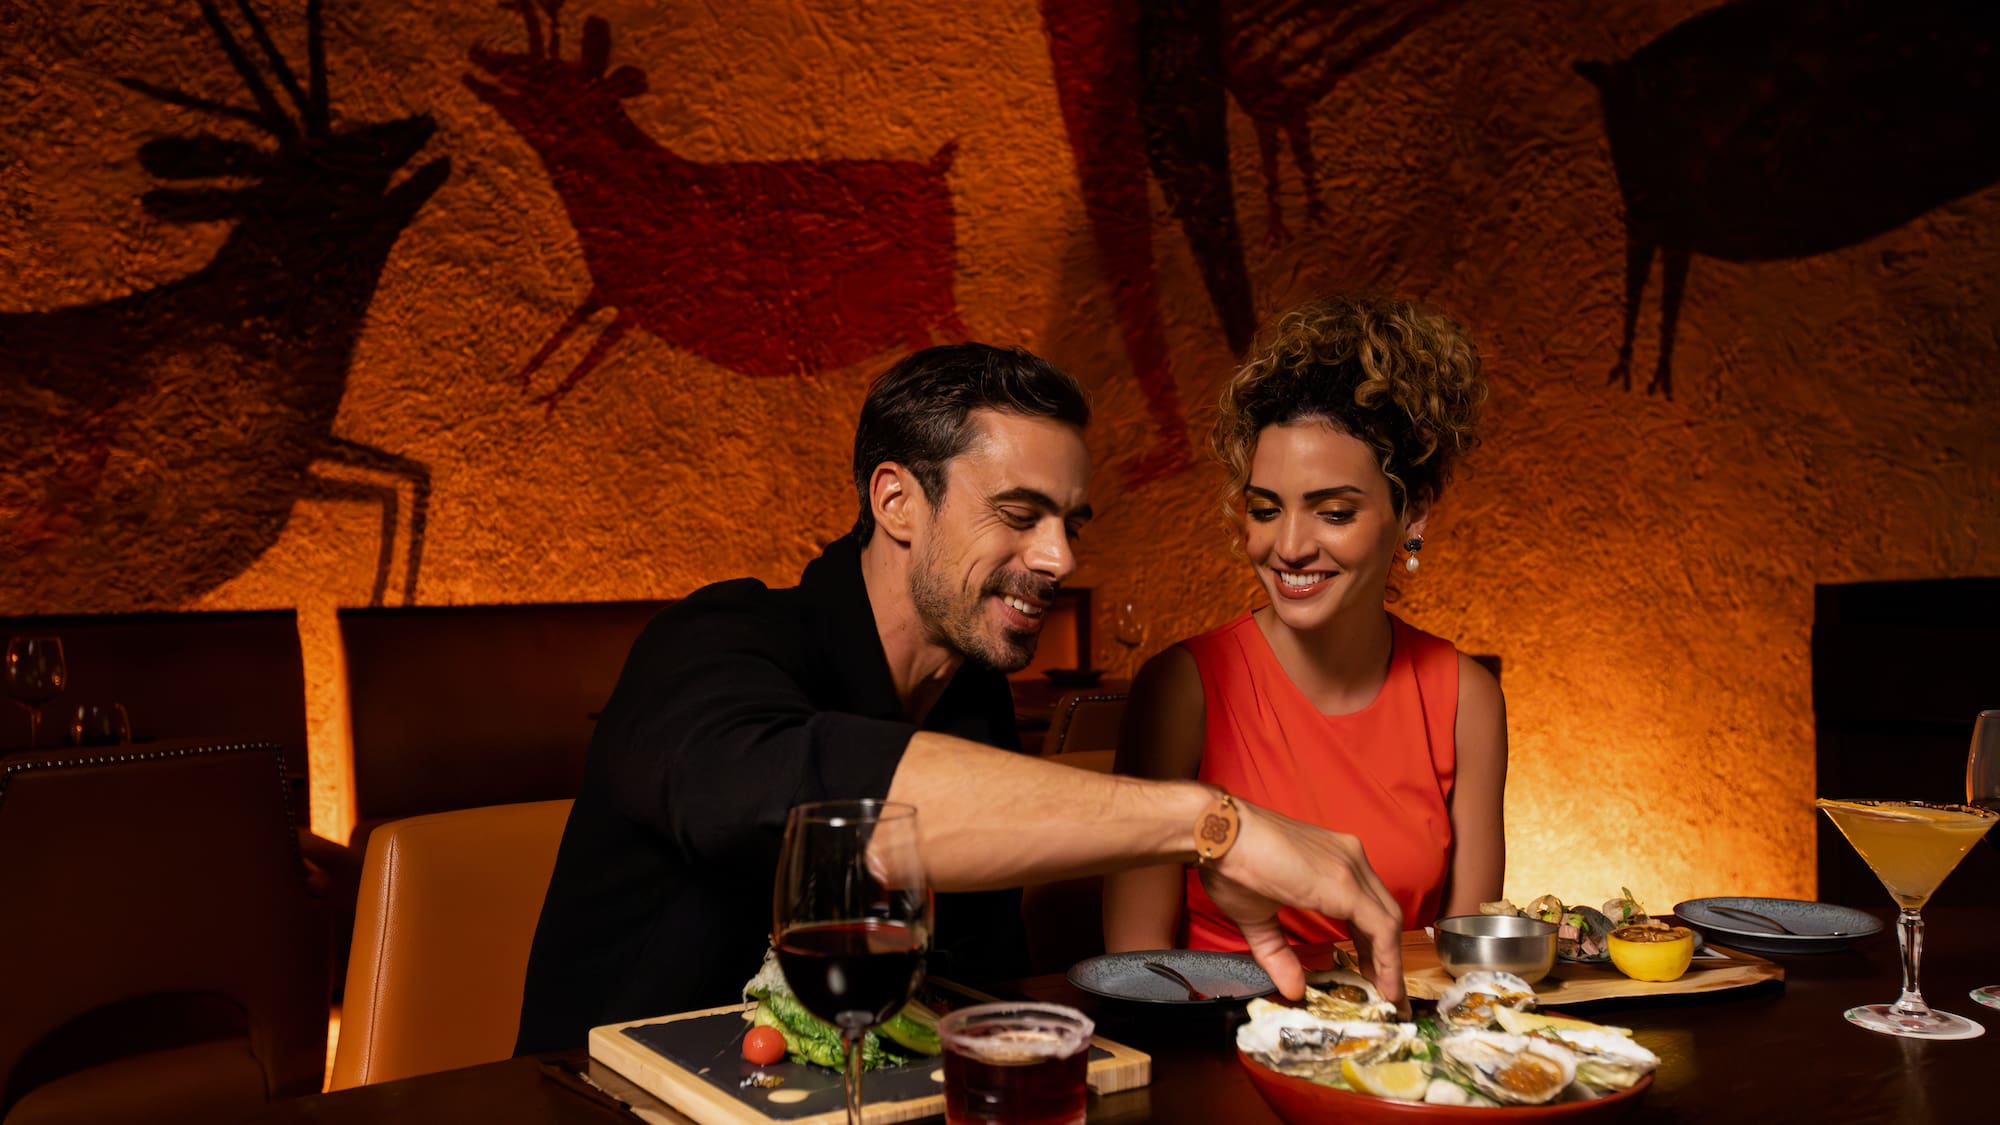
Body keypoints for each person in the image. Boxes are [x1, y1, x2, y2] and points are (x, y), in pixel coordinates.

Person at [515, 342, 1406, 1053]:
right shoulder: (709, 646)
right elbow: (812, 797)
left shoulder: (974, 695)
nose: (1060, 558)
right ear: (899, 502)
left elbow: (976, 994)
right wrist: (1218, 821)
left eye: (1069, 523)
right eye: (1021, 515)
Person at [1103, 296, 1507, 955]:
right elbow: (1135, 967)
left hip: (1402, 1047)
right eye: (1266, 509)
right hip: (1218, 1042)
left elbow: (1469, 969)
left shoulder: (1466, 700)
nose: (1288, 545)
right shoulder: (1183, 689)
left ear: (1414, 511)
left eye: (1334, 513)